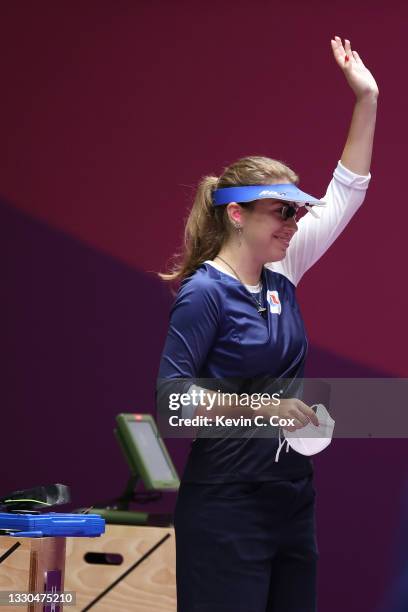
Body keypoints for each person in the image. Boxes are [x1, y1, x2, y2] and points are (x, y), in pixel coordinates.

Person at [155, 37, 379, 612]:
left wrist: (368, 99)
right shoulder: (204, 294)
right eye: (281, 211)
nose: (294, 221)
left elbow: (346, 194)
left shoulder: (284, 269)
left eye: (296, 211)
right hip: (226, 509)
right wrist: (265, 408)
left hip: (290, 503)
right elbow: (173, 403)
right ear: (237, 213)